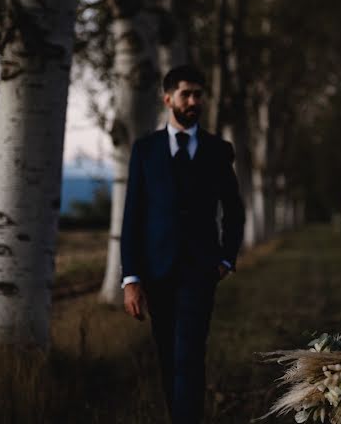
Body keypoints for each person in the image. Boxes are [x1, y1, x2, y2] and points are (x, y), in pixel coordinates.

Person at [120, 64, 245, 424]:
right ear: (168, 98)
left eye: (198, 94)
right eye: (186, 94)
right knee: (168, 358)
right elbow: (132, 218)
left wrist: (226, 258)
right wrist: (131, 278)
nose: (194, 101)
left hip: (200, 271)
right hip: (156, 272)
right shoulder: (145, 151)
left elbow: (234, 211)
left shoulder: (218, 150)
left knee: (189, 356)